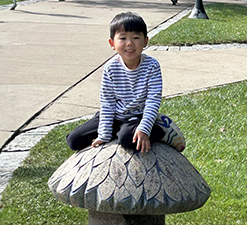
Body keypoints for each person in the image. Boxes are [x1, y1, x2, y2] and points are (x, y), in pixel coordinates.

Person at [66, 12, 185, 153]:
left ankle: (162, 129)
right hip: (115, 115)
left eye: (136, 37)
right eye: (122, 38)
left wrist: (144, 129)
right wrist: (104, 134)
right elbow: (107, 102)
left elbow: (153, 100)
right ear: (112, 43)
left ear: (145, 41)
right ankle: (115, 130)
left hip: (138, 116)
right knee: (73, 140)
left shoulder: (152, 66)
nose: (129, 43)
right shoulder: (110, 68)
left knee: (127, 139)